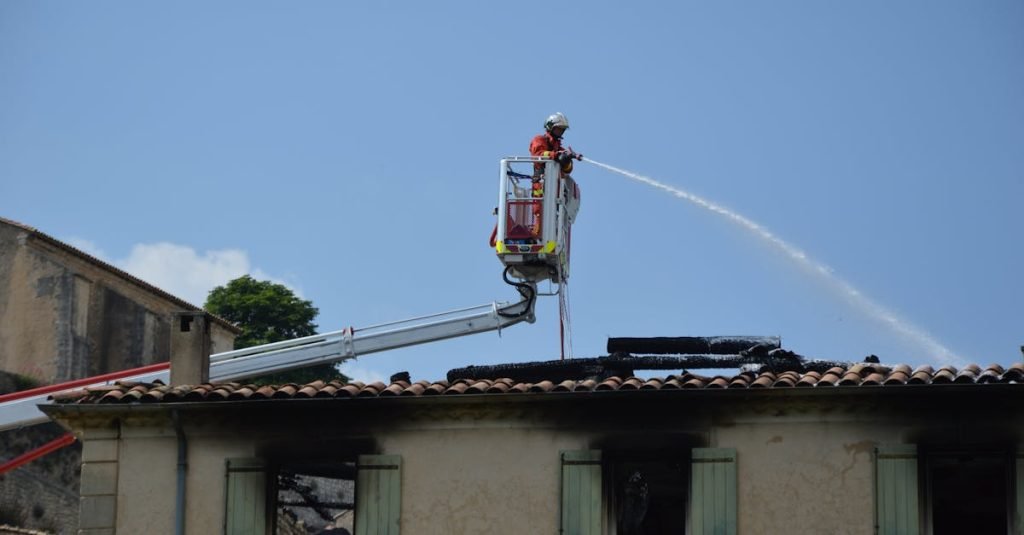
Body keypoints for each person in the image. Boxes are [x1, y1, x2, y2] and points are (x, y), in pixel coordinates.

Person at [527, 113, 582, 235]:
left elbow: (567, 170)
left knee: (554, 213)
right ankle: (536, 234)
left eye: (562, 130)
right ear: (550, 127)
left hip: (555, 186)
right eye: (558, 129)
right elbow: (538, 155)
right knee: (540, 210)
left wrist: (567, 160)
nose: (560, 132)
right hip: (541, 182)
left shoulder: (558, 147)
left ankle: (550, 234)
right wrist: (556, 155)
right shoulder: (539, 140)